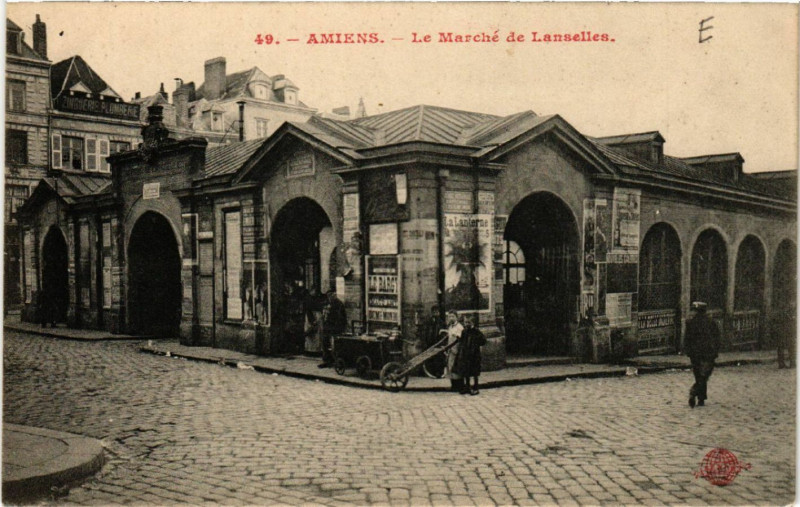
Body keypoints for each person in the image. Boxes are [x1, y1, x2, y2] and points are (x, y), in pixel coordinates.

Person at [684, 301, 721, 408]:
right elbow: (717, 338)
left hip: (695, 354)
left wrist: (688, 352)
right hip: (708, 353)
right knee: (704, 375)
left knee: (698, 375)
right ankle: (695, 392)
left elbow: (687, 339)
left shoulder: (690, 322)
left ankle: (701, 398)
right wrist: (716, 351)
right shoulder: (711, 322)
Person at [454, 315, 487, 395]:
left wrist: (476, 344)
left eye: (468, 322)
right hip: (466, 354)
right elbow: (462, 341)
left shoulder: (476, 331)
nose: (466, 324)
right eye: (465, 322)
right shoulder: (464, 331)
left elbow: (483, 341)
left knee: (475, 372)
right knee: (466, 371)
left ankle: (476, 387)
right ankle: (467, 387)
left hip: (474, 355)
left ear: (472, 323)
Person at [319, 290, 347, 368]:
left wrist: (339, 327)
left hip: (335, 328)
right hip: (327, 327)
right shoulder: (327, 303)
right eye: (328, 296)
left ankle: (337, 361)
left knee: (335, 346)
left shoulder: (338, 304)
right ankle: (326, 361)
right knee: (325, 344)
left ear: (334, 295)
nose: (329, 297)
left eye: (331, 295)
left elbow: (341, 318)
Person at [445, 311, 464, 392]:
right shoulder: (450, 327)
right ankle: (453, 385)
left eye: (453, 316)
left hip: (457, 350)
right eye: (450, 316)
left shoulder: (459, 327)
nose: (451, 318)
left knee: (457, 368)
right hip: (451, 350)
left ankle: (459, 386)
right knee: (450, 367)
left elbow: (460, 340)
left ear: (456, 317)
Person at [774, 304, 796, 369]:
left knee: (786, 346)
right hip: (786, 330)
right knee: (789, 346)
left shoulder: (779, 312)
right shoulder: (789, 312)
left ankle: (786, 363)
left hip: (785, 330)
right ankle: (789, 363)